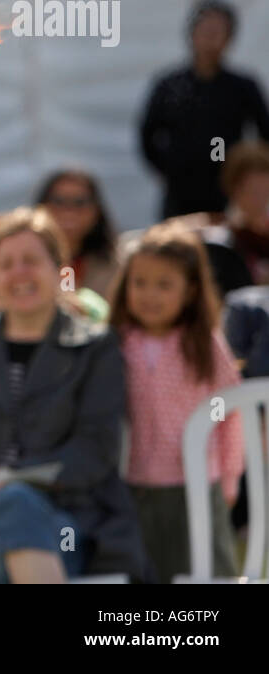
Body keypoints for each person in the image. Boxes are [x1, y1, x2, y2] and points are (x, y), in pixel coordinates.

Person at [0, 208, 150, 583]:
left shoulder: (96, 348)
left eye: (31, 260)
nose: (20, 273)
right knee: (10, 509)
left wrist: (17, 479)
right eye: (7, 264)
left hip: (71, 522)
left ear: (59, 270)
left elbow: (96, 449)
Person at [108, 223, 244, 582]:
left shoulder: (205, 345)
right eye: (140, 283)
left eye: (164, 285)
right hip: (135, 483)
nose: (149, 295)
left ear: (191, 290)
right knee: (146, 573)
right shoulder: (118, 343)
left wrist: (228, 477)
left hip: (199, 483)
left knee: (205, 572)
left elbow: (229, 411)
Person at [139, 0, 269, 218]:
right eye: (206, 29)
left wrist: (248, 175)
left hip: (228, 190)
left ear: (229, 38)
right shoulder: (170, 84)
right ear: (192, 34)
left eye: (218, 31)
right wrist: (169, 168)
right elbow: (147, 134)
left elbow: (264, 133)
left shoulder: (242, 86)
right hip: (180, 190)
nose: (211, 38)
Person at [35, 168, 119, 298]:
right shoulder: (23, 263)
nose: (69, 210)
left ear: (96, 210)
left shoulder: (118, 264)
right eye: (59, 201)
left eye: (80, 202)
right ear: (41, 208)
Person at [219, 140, 269, 284]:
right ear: (234, 189)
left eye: (265, 189)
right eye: (253, 191)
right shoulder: (223, 237)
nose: (260, 198)